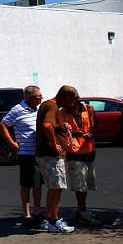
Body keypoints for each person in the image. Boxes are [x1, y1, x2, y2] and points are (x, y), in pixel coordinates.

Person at [36, 85, 78, 233]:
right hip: (51, 155)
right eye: (72, 100)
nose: (72, 104)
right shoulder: (52, 107)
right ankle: (55, 221)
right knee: (57, 188)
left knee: (54, 188)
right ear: (64, 97)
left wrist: (62, 126)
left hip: (47, 154)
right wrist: (55, 145)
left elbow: (52, 125)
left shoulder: (49, 106)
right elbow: (47, 126)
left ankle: (49, 217)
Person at [0, 85, 43, 227]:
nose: (41, 98)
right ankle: (27, 214)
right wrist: (12, 143)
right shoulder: (18, 109)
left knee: (37, 183)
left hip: (38, 152)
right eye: (38, 97)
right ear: (30, 98)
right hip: (26, 152)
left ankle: (37, 211)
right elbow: (3, 125)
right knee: (26, 184)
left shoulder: (38, 109)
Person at [60, 87, 102, 227]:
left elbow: (96, 126)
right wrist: (74, 134)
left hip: (89, 150)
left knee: (87, 183)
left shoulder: (88, 109)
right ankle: (83, 211)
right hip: (74, 152)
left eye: (68, 100)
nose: (66, 103)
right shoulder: (62, 113)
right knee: (80, 185)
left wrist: (91, 134)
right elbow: (60, 131)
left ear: (76, 99)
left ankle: (81, 210)